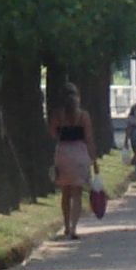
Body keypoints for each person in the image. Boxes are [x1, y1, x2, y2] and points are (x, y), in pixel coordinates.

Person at [48, 82, 96, 240]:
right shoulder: (83, 116)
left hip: (63, 153)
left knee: (65, 193)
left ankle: (66, 226)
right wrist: (94, 161)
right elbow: (89, 139)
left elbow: (54, 134)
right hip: (80, 153)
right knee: (77, 194)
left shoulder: (58, 115)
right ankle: (74, 228)